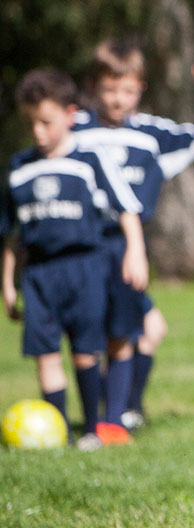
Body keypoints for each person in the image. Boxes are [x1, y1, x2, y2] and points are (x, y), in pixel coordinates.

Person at [72, 38, 194, 431]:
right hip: (86, 245)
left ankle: (122, 410)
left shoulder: (152, 134)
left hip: (128, 247)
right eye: (108, 89)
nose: (117, 99)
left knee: (147, 330)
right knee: (109, 335)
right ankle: (114, 412)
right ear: (93, 87)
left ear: (140, 88)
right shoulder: (75, 129)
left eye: (127, 90)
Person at [1, 68, 148, 450]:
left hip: (86, 268)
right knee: (46, 356)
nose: (38, 132)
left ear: (69, 115)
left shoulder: (90, 160)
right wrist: (8, 285)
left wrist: (136, 251)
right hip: (39, 275)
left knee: (86, 352)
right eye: (31, 123)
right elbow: (12, 236)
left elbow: (127, 209)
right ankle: (59, 430)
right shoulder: (19, 169)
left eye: (46, 122)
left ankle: (91, 430)